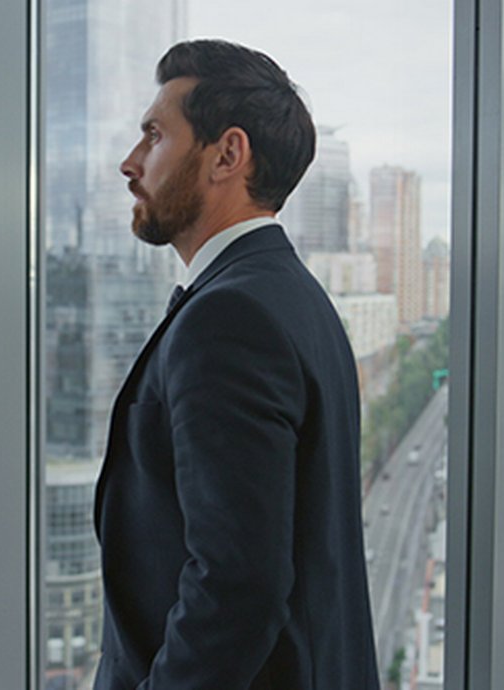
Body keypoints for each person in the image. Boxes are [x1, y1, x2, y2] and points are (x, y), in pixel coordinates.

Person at [92, 39, 381, 690]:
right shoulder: (294, 296)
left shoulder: (229, 319)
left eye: (154, 136)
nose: (130, 163)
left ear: (227, 155)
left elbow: (237, 586)